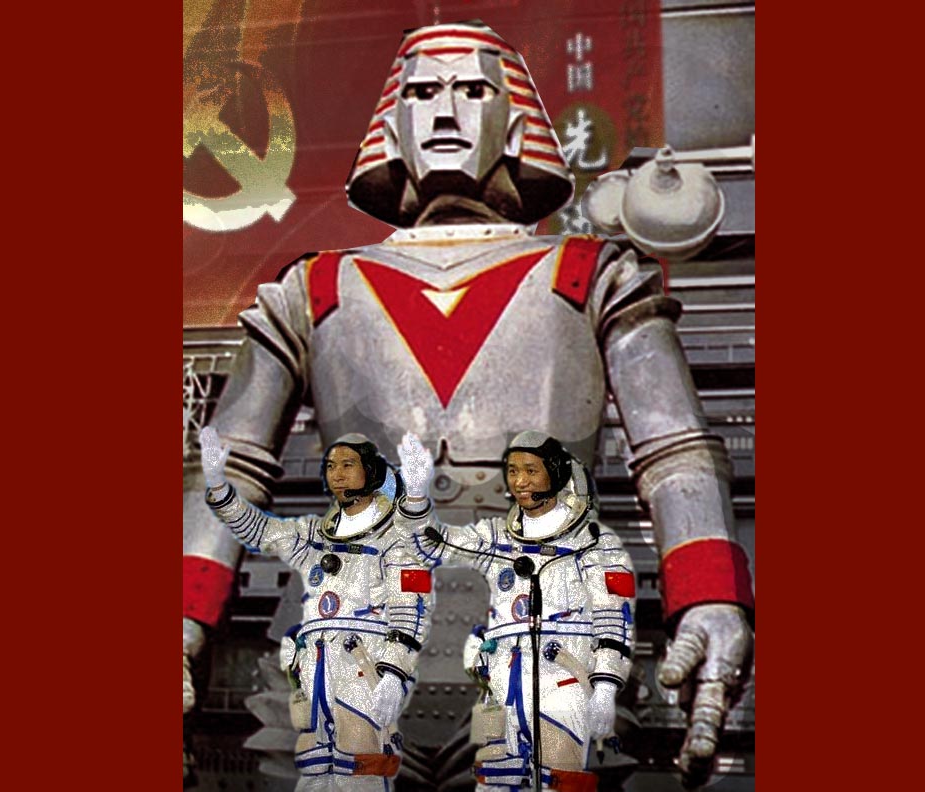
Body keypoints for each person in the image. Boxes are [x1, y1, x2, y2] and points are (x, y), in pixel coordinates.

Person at [182, 20, 754, 784]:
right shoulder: (311, 289)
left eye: (473, 90)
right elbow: (230, 464)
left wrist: (711, 595)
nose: (445, 111)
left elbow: (674, 448)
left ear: (516, 125)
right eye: (423, 92)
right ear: (392, 127)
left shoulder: (593, 276)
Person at [395, 430, 634, 792]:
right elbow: (430, 545)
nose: (520, 481)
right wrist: (415, 495)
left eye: (531, 471)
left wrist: (604, 689)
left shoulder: (598, 548)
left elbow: (613, 623)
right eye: (513, 471)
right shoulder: (497, 538)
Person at [199, 426, 433, 791]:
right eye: (331, 465)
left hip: (364, 664)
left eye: (348, 465)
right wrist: (218, 486)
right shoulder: (314, 536)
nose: (337, 473)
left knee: (360, 765)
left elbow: (411, 611)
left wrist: (393, 674)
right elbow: (258, 530)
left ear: (371, 473)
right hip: (316, 664)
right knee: (315, 764)